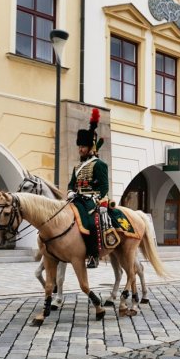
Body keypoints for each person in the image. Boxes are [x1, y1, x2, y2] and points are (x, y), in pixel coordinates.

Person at [67, 108, 109, 269]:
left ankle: (93, 255)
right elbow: (72, 183)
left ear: (91, 148)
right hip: (77, 198)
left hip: (92, 199)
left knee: (91, 223)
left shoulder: (99, 164)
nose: (80, 149)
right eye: (80, 146)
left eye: (83, 146)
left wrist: (96, 198)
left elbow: (104, 186)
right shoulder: (77, 167)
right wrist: (70, 191)